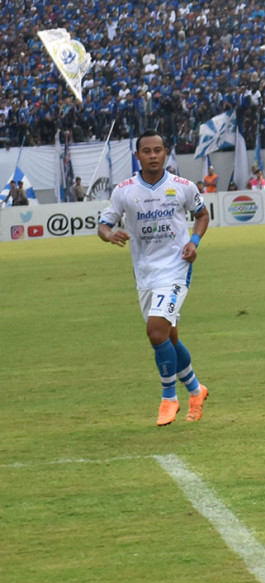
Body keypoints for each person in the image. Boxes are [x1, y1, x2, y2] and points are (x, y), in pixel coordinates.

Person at [96, 130, 211, 426]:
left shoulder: (182, 186)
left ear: (165, 153)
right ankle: (197, 391)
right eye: (147, 151)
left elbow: (202, 215)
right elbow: (104, 224)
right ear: (138, 156)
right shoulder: (124, 190)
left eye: (158, 150)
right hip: (145, 273)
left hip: (176, 268)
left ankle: (169, 398)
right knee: (169, 337)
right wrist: (110, 235)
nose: (153, 155)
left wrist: (194, 242)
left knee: (156, 331)